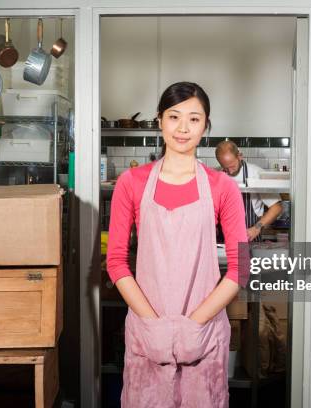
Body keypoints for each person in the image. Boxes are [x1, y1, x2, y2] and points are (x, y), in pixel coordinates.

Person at [106, 82, 247, 408]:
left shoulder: (223, 187)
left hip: (204, 333)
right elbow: (115, 260)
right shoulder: (132, 182)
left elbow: (241, 267)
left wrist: (194, 326)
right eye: (174, 116)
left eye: (194, 119)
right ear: (159, 121)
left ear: (206, 125)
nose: (183, 128)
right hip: (147, 331)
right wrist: (153, 325)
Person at [215, 141, 283, 241]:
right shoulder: (217, 175)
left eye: (232, 166)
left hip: (249, 239)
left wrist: (257, 228)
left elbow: (276, 208)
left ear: (240, 156)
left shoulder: (256, 173)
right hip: (223, 240)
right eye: (225, 167)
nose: (230, 171)